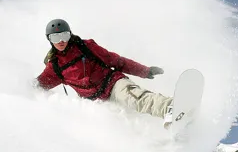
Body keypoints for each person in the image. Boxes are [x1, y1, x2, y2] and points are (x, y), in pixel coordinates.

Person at [34, 18, 174, 128]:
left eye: (64, 35)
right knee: (122, 126)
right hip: (97, 102)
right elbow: (38, 85)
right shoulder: (55, 66)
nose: (61, 41)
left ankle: (170, 107)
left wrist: (144, 71)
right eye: (55, 38)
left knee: (133, 98)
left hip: (113, 84)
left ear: (70, 34)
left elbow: (116, 61)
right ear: (49, 39)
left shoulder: (85, 46)